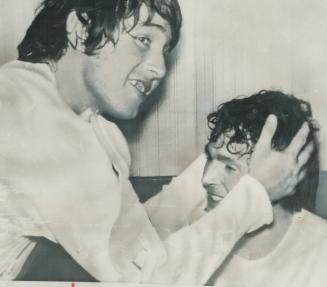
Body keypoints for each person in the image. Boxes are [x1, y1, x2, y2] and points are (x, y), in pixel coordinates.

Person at [0, 0, 311, 284]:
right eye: (143, 40)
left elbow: (136, 249)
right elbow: (146, 280)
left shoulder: (98, 131)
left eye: (164, 50)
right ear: (80, 30)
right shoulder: (24, 109)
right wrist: (254, 193)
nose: (159, 69)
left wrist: (235, 148)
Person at [202, 90, 327, 287]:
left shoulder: (321, 251)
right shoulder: (192, 237)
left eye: (230, 167)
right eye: (209, 158)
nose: (206, 178)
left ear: (285, 175)